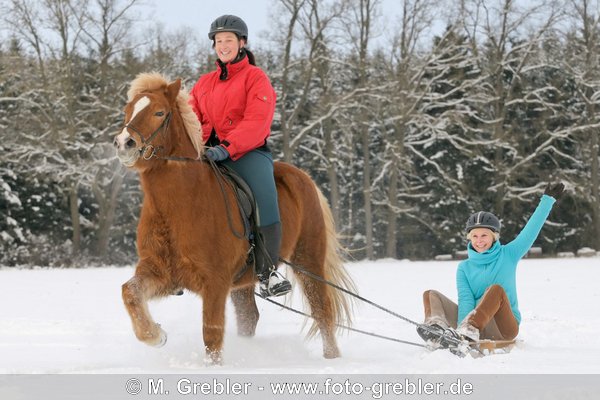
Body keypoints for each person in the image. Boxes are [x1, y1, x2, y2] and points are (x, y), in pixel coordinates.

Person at [189, 15, 291, 298]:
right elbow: (191, 119)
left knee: (264, 195)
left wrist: (228, 147)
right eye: (218, 41)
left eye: (228, 40)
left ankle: (268, 271)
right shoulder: (203, 83)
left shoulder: (255, 78)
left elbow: (257, 121)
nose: (223, 46)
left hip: (247, 152)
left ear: (242, 43)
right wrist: (196, 146)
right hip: (208, 154)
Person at [417, 182, 565, 346]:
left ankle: (467, 331)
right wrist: (460, 329)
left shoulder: (509, 254)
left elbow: (530, 232)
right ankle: (436, 329)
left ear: (494, 236)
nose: (479, 241)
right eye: (475, 236)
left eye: (484, 235)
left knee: (496, 290)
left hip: (504, 328)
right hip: (472, 327)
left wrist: (547, 201)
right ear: (469, 238)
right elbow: (466, 300)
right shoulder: (464, 268)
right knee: (431, 295)